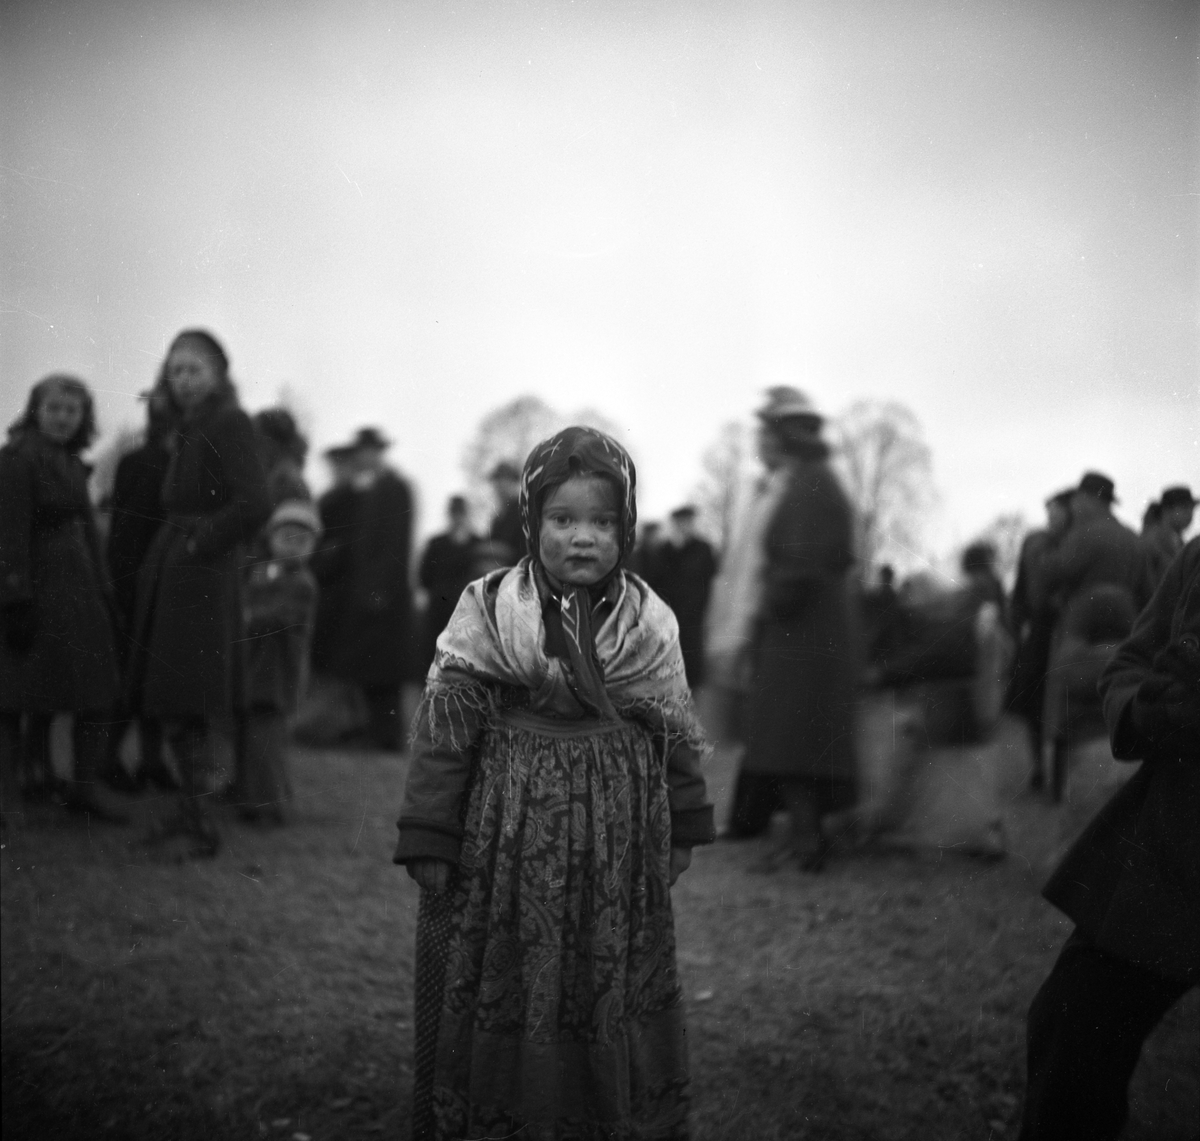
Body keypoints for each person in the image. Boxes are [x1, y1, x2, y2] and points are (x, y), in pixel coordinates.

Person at [394, 426, 715, 1141]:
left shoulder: (647, 624)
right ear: (532, 523)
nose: (582, 538)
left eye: (602, 521)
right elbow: (446, 728)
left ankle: (600, 1109)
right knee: (515, 971)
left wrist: (686, 825)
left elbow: (674, 728)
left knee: (599, 977)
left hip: (613, 850)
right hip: (507, 846)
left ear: (625, 530)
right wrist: (429, 830)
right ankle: (507, 1105)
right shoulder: (489, 611)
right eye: (563, 519)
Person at [1018, 537, 1199, 1141]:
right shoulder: (1198, 557)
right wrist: (1150, 709)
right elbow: (1129, 665)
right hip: (1178, 845)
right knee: (1069, 1026)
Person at [126, 330, 271, 858]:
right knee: (174, 697)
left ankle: (199, 824)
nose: (184, 380)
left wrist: (199, 542)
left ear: (219, 375)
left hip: (201, 574)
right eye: (176, 370)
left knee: (189, 695)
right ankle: (189, 815)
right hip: (179, 569)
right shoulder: (188, 425)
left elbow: (256, 502)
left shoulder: (230, 422)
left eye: (196, 370)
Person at [727, 387, 860, 869]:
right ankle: (805, 837)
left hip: (800, 628)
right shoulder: (815, 479)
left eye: (769, 430)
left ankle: (807, 842)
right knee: (795, 739)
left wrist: (767, 606)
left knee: (793, 739)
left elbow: (800, 563)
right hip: (809, 625)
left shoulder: (810, 485)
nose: (764, 438)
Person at [0, 375, 126, 824]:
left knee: (94, 689)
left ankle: (84, 789)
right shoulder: (17, 460)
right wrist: (14, 598)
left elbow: (88, 531)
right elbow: (10, 532)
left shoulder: (72, 462)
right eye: (53, 408)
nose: (62, 418)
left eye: (72, 411)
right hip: (37, 593)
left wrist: (105, 589)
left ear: (83, 417)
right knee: (15, 699)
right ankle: (8, 799)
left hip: (80, 593)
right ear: (35, 410)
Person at [1039, 472, 1150, 795]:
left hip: (1079, 625)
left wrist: (1049, 543)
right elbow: (1147, 592)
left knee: (1065, 704)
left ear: (1087, 499)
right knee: (1117, 697)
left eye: (1077, 499)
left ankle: (1061, 786)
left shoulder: (1083, 534)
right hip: (1126, 628)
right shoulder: (1132, 538)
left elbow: (1052, 574)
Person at [316, 427, 415, 750]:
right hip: (367, 592)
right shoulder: (371, 490)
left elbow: (395, 544)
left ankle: (387, 737)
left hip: (384, 595)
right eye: (361, 452)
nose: (364, 457)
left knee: (384, 671)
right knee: (370, 667)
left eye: (369, 451)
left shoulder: (395, 488)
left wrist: (379, 589)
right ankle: (375, 731)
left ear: (378, 453)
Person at [101, 388, 177, 793]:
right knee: (133, 677)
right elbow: (130, 532)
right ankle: (110, 760)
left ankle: (150, 761)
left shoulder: (155, 461)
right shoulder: (153, 463)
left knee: (150, 678)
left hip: (149, 580)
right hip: (141, 583)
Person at [230, 500, 320, 825]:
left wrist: (244, 617)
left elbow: (277, 616)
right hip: (256, 668)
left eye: (302, 540)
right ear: (271, 538)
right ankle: (252, 796)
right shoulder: (262, 571)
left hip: (278, 672)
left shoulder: (302, 583)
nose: (293, 545)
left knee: (267, 739)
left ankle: (269, 805)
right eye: (286, 537)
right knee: (254, 736)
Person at [1006, 490, 1073, 787]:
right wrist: (1016, 625)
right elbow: (1021, 588)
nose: (1053, 517)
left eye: (1058, 511)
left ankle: (1057, 771)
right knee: (1032, 701)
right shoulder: (1035, 541)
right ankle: (1038, 768)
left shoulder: (1074, 544)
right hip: (1037, 632)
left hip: (1064, 630)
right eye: (1050, 511)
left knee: (1061, 702)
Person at [654, 506, 718, 687]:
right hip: (669, 612)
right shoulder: (665, 549)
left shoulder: (703, 548)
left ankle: (692, 686)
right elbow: (657, 580)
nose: (683, 526)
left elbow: (710, 580)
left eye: (687, 522)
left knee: (691, 652)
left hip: (694, 612)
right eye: (679, 522)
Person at [416, 495, 480, 675]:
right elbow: (423, 577)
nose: (458, 517)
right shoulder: (436, 544)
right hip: (439, 612)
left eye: (461, 513)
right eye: (455, 513)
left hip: (468, 614)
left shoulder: (478, 544)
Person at [252, 407, 311, 509]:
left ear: (271, 442)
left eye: (258, 440)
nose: (254, 450)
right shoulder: (287, 474)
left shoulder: (285, 482)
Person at [1142, 485, 1194, 591]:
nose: (1190, 513)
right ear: (1167, 510)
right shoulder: (1153, 540)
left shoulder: (1177, 540)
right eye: (1184, 507)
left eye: (1191, 508)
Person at [485, 459, 524, 567]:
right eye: (497, 480)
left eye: (505, 480)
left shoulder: (523, 511)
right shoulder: (497, 518)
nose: (500, 486)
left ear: (514, 482)